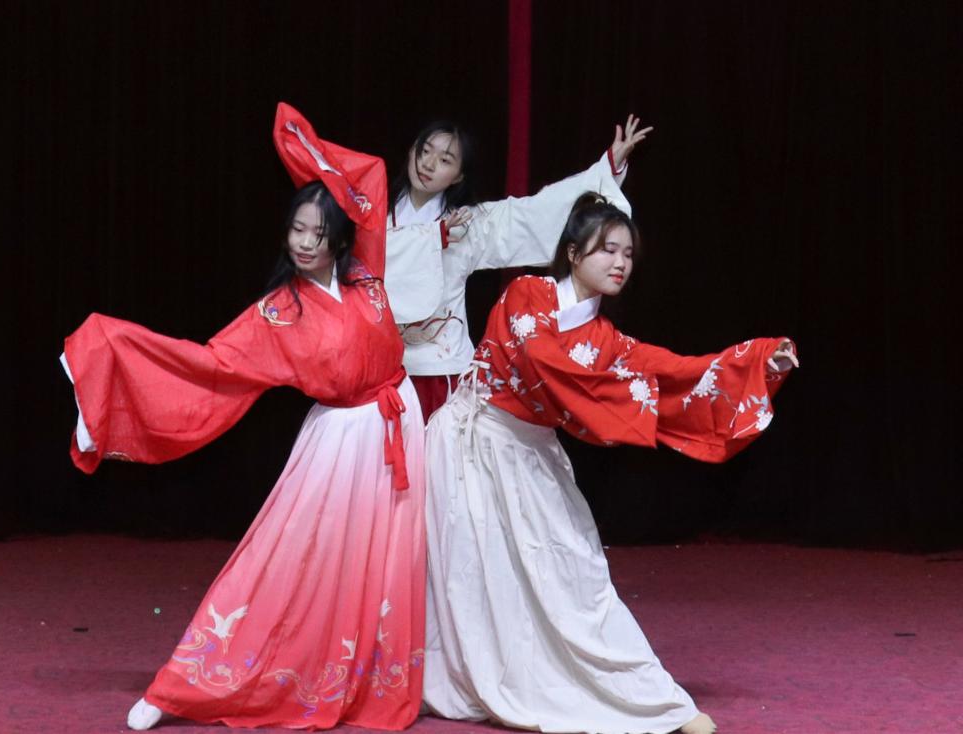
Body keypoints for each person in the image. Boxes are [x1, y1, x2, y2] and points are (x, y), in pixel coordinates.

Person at [59, 104, 426, 731]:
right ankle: (185, 686)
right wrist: (112, 356)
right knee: (288, 561)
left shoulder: (366, 272)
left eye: (317, 232)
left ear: (341, 237)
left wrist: (306, 154)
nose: (304, 243)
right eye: (296, 230)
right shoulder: (279, 312)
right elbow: (210, 367)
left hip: (398, 425)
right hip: (339, 441)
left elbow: (368, 175)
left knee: (387, 565)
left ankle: (361, 678)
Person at [423, 193, 798, 734]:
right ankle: (471, 679)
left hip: (531, 452)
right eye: (607, 250)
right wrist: (604, 386)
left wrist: (758, 359)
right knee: (470, 577)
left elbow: (678, 370)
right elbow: (541, 360)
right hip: (472, 445)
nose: (621, 262)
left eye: (628, 253)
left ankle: (651, 699)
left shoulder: (609, 343)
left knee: (578, 572)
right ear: (573, 253)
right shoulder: (527, 293)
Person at [384, 115, 652, 420]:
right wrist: (434, 237)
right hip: (379, 365)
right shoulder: (374, 215)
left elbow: (532, 214)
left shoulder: (469, 226)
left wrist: (606, 170)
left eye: (445, 160)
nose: (428, 164)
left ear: (459, 176)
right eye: (424, 151)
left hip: (440, 370)